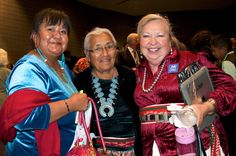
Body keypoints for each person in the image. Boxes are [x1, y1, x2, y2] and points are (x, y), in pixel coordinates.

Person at [134, 13, 236, 156]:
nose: (152, 41)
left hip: (192, 143)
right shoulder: (139, 71)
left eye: (160, 35)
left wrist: (207, 106)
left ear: (170, 39)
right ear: (139, 41)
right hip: (153, 146)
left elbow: (230, 86)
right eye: (146, 36)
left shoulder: (189, 60)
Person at [0, 8, 89, 156]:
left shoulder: (61, 66)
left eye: (63, 31)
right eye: (50, 29)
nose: (57, 35)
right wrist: (70, 105)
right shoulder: (28, 68)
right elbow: (22, 118)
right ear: (35, 36)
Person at [74, 27, 143, 155]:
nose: (105, 53)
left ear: (116, 50)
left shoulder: (130, 77)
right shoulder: (80, 83)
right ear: (88, 55)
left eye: (109, 46)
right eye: (98, 48)